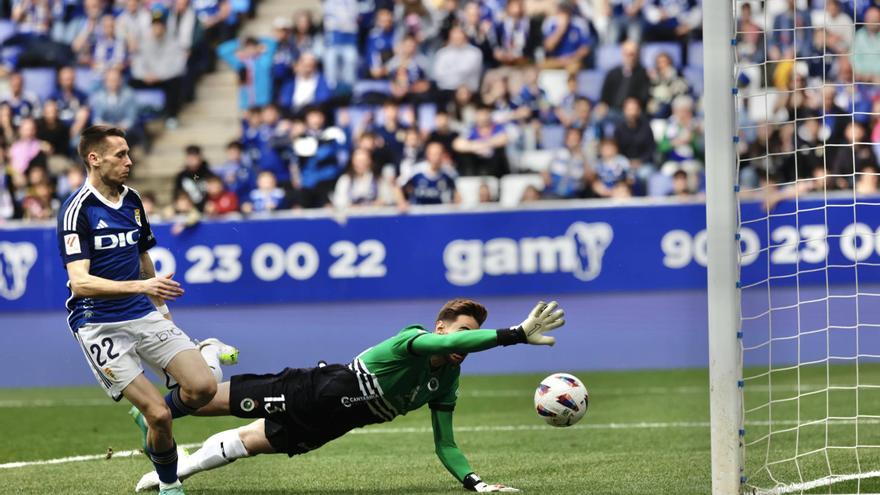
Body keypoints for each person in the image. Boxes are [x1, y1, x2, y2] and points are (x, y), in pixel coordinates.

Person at [133, 299, 566, 493]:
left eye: (475, 337)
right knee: (200, 397)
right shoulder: (413, 340)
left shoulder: (446, 382)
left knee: (244, 445)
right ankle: (206, 355)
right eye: (464, 333)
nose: (466, 344)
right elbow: (435, 347)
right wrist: (513, 335)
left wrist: (475, 484)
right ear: (441, 328)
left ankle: (174, 474)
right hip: (308, 391)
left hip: (331, 424)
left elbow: (445, 442)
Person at [56, 125, 223, 495]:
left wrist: (161, 310)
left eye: (129, 153)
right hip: (98, 324)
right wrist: (143, 287)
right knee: (160, 416)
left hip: (142, 312)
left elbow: (142, 257)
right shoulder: (76, 210)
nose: (130, 161)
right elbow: (80, 282)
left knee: (203, 387)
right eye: (121, 155)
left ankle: (147, 414)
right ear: (94, 159)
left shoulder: (132, 200)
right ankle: (169, 485)